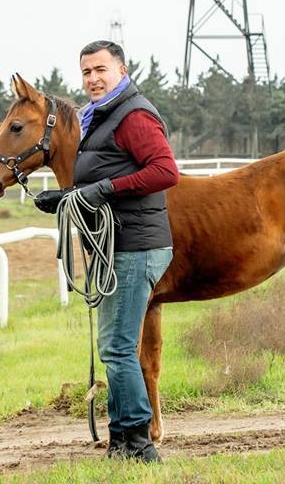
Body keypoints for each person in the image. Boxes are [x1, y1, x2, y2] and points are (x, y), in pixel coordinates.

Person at [34, 40, 178, 463]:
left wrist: (103, 189)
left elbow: (165, 171)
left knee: (117, 347)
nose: (93, 79)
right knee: (113, 345)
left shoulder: (133, 115)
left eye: (100, 70)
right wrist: (65, 197)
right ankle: (121, 440)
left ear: (121, 70)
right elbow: (108, 170)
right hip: (121, 243)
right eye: (86, 72)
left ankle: (139, 443)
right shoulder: (100, 117)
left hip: (136, 244)